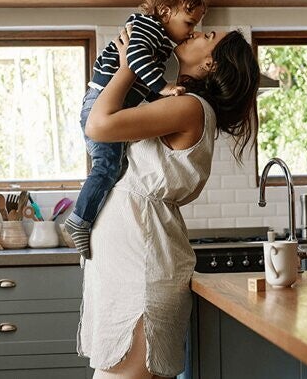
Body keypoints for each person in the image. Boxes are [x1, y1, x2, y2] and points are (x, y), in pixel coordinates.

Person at [77, 27, 260, 379]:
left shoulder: (189, 107)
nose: (196, 31)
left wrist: (130, 65)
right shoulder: (177, 101)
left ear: (210, 62)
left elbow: (98, 125)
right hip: (133, 260)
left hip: (141, 267)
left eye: (208, 35)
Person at [65, 0, 207, 259]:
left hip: (112, 102)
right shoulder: (147, 27)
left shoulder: (161, 39)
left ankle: (88, 218)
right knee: (106, 167)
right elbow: (136, 60)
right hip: (98, 101)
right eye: (189, 23)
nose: (192, 31)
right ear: (165, 12)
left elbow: (140, 82)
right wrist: (164, 88)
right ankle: (79, 220)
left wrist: (161, 96)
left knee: (114, 167)